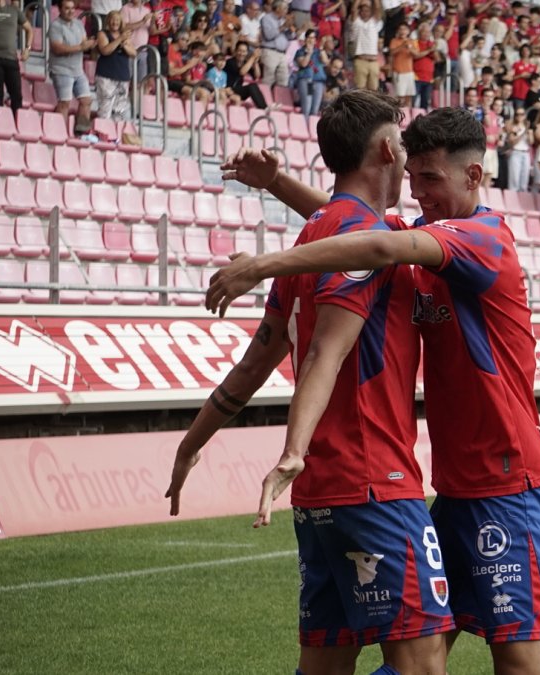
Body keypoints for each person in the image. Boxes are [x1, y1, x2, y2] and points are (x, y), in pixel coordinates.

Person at [205, 107, 540, 675]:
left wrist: (265, 265)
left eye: (432, 181)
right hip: (451, 489)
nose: (419, 194)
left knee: (517, 660)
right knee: (422, 652)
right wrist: (276, 182)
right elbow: (352, 224)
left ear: (473, 178)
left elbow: (374, 246)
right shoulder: (430, 239)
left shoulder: (481, 239)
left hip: (509, 482)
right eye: (414, 177)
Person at [165, 89, 453, 675]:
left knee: (325, 664)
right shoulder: (359, 242)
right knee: (422, 662)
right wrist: (292, 450)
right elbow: (324, 347)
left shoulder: (316, 237)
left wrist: (191, 442)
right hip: (373, 479)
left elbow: (254, 364)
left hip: (319, 495)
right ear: (389, 148)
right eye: (402, 148)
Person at [49, 0, 96, 135]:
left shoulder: (78, 24)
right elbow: (57, 48)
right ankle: (58, 133)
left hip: (78, 70)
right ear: (59, 9)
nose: (70, 11)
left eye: (72, 8)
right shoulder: (55, 26)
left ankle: (80, 132)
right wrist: (80, 47)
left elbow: (83, 42)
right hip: (61, 70)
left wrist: (90, 44)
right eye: (67, 8)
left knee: (86, 100)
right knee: (65, 103)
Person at [95, 10, 137, 121]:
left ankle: (115, 136)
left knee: (119, 111)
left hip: (122, 76)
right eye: (113, 19)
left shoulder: (124, 36)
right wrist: (119, 40)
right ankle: (103, 134)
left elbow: (133, 53)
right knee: (105, 108)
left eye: (117, 20)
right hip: (106, 75)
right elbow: (105, 50)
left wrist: (124, 45)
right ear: (108, 21)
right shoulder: (102, 33)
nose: (115, 22)